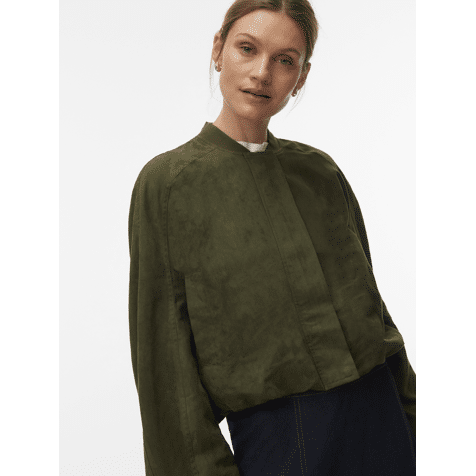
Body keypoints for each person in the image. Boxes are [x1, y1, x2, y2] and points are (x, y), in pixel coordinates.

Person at [128, 1, 416, 474]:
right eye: (247, 48)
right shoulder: (170, 184)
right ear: (218, 50)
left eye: (285, 60)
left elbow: (375, 315)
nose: (263, 73)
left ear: (301, 77)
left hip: (385, 420)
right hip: (283, 443)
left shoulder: (320, 172)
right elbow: (166, 361)